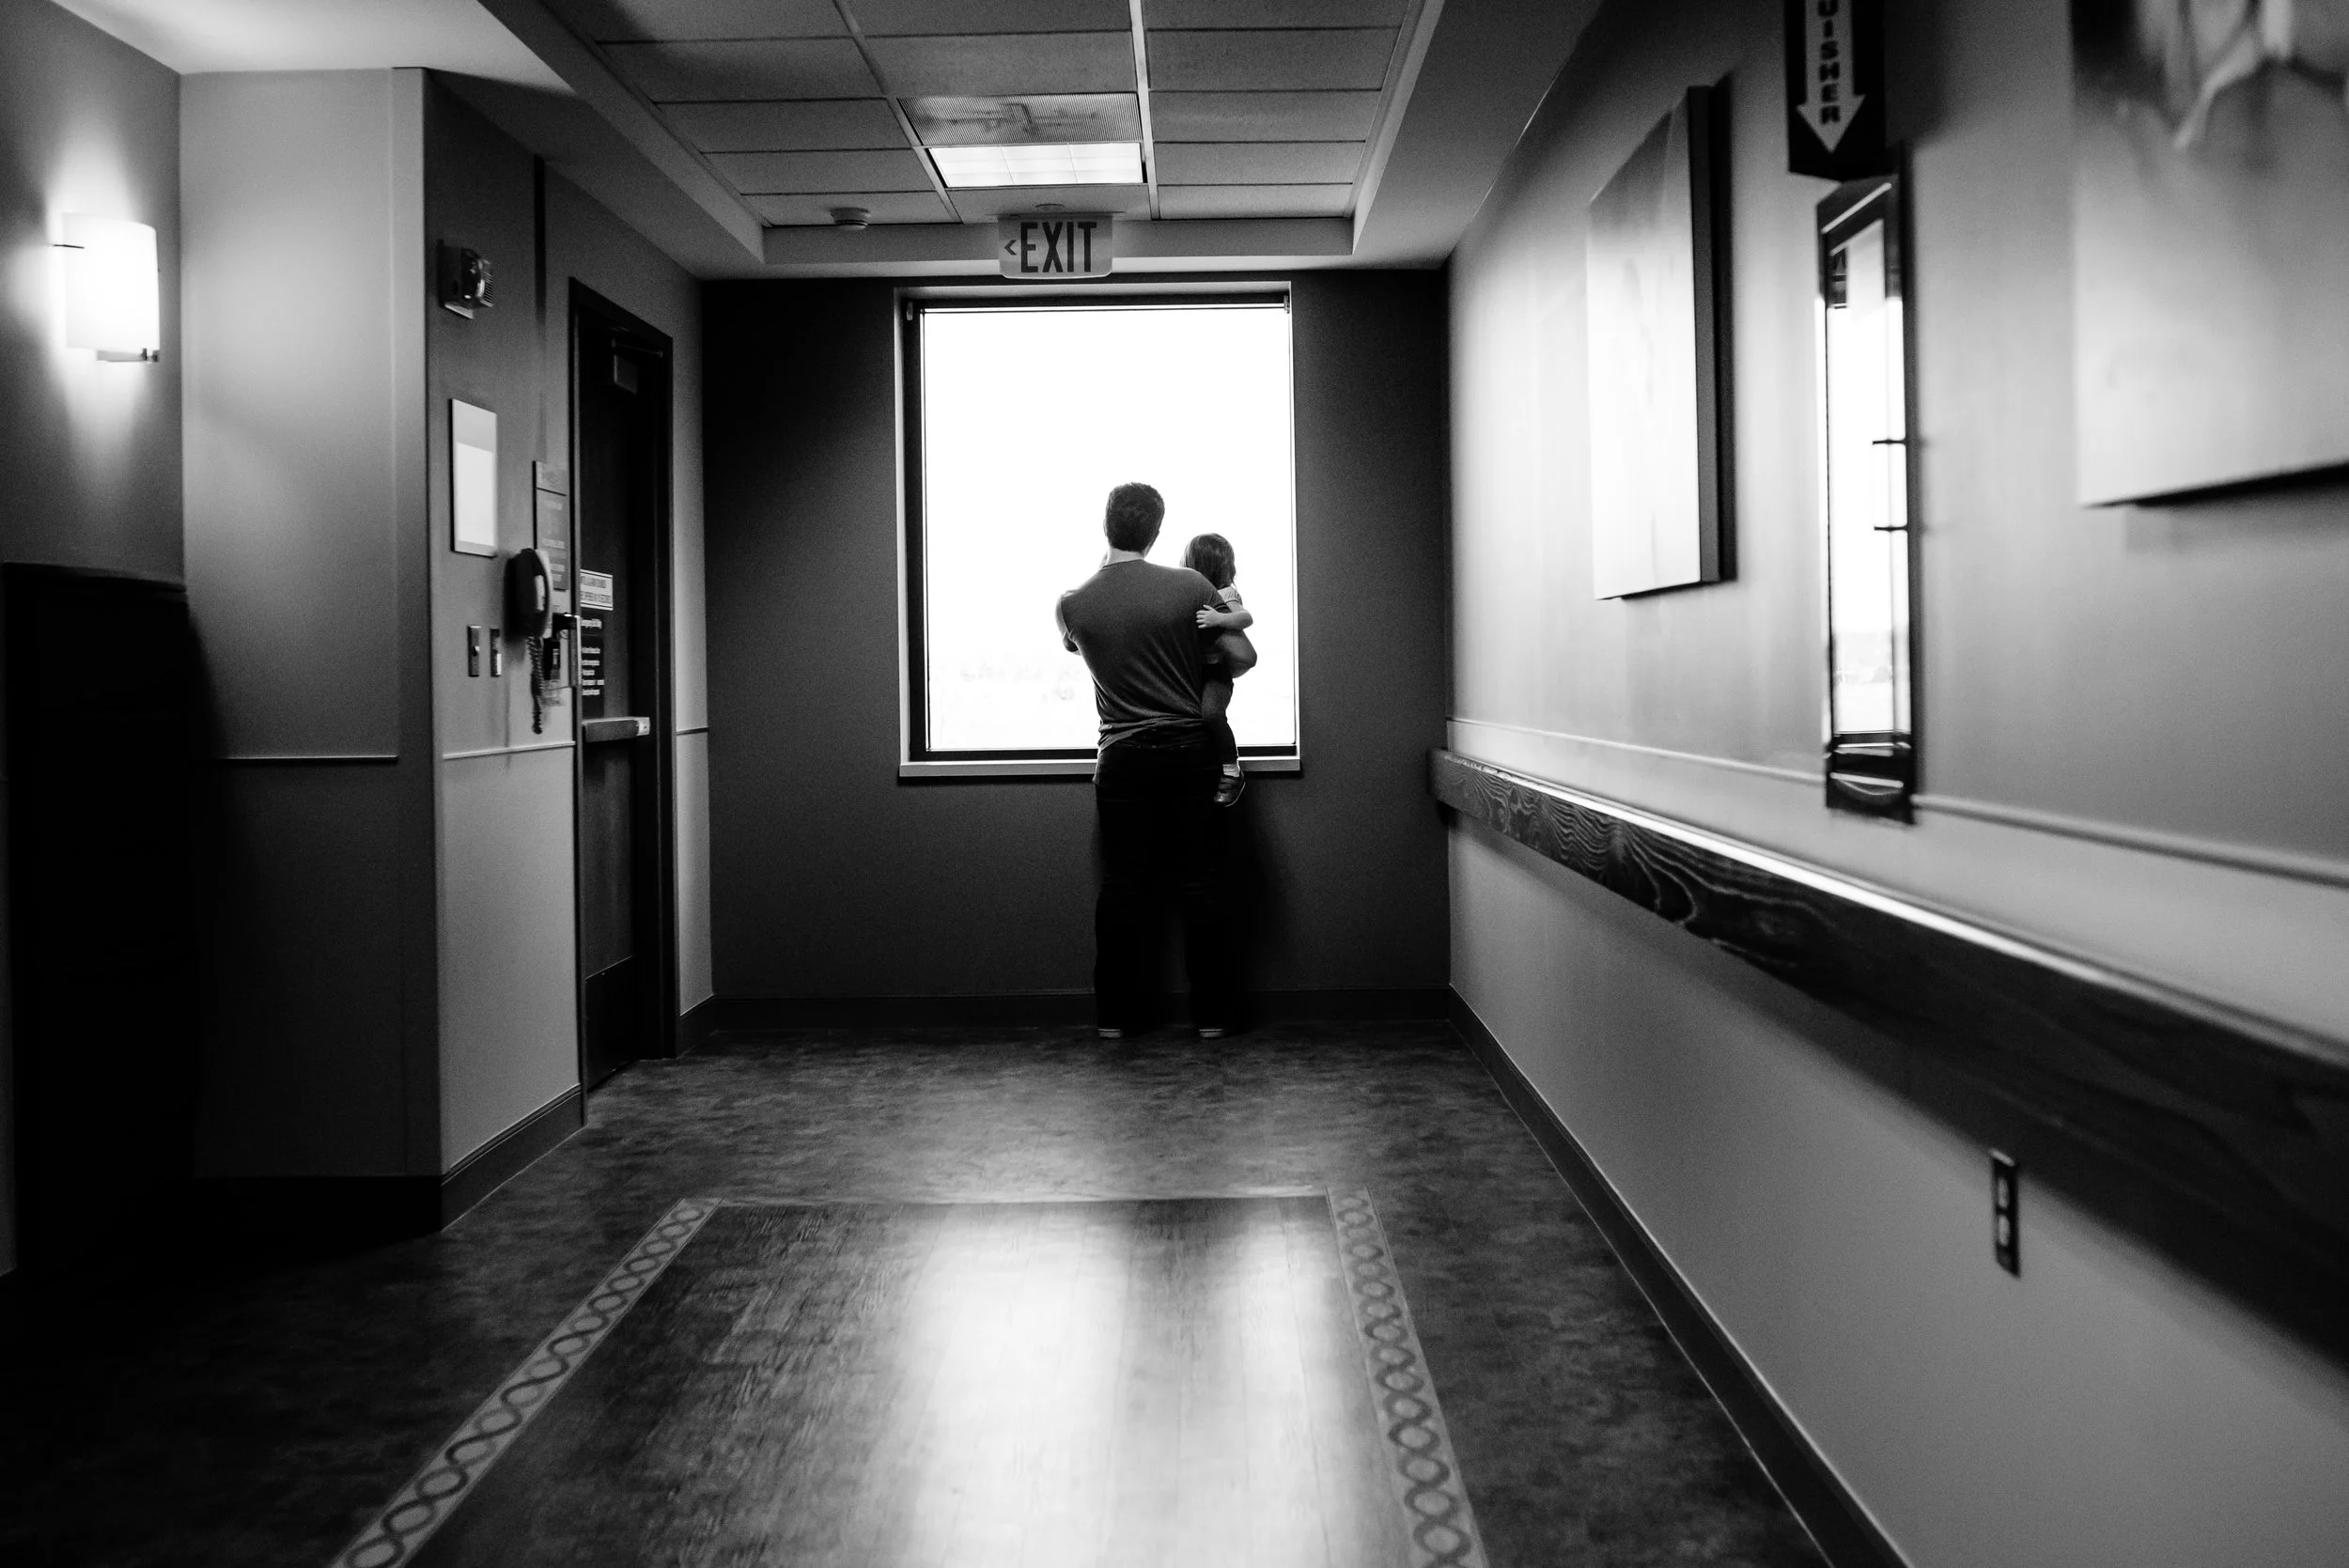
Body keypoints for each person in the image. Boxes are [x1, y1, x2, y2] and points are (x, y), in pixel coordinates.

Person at [1056, 483, 1256, 1041]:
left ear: (1106, 526)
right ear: (1158, 531)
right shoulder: (1190, 586)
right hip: (1190, 750)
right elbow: (1240, 654)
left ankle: (1113, 1021)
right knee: (1199, 883)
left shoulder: (1072, 603)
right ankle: (1212, 1019)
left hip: (1120, 755)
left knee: (1122, 885)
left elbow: (1078, 646)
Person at [1181, 533, 1254, 807]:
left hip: (1216, 674)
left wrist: (1219, 618)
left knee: (1212, 715)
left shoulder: (1225, 594)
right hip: (1195, 673)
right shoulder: (1189, 595)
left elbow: (1245, 617)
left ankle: (1232, 771)